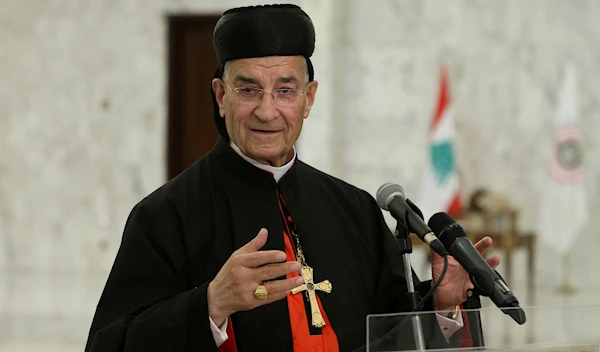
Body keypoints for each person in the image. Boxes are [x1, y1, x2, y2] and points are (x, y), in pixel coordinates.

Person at [84, 4, 500, 352]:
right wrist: (211, 304)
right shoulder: (165, 215)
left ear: (309, 98)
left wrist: (443, 303)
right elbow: (108, 344)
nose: (267, 111)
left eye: (285, 90)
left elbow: (390, 334)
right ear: (220, 96)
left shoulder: (354, 209)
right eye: (248, 90)